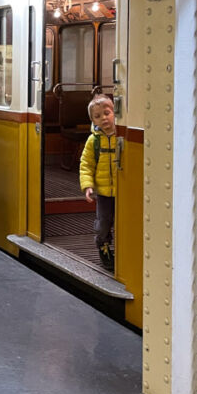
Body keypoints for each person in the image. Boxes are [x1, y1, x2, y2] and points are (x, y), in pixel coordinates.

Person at [79, 94, 118, 270]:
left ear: (115, 113)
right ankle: (103, 245)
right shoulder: (93, 141)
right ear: (93, 120)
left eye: (107, 113)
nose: (103, 118)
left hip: (121, 191)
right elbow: (86, 164)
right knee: (104, 222)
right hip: (103, 192)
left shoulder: (121, 138)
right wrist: (87, 185)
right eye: (97, 116)